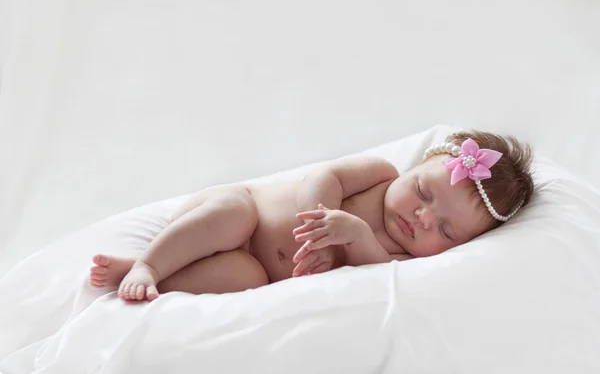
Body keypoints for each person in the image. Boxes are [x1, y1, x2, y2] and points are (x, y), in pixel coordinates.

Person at [89, 130, 534, 301]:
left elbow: (374, 273)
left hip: (259, 265)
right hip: (245, 211)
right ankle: (150, 260)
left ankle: (154, 281)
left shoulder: (409, 261)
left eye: (446, 229)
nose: (421, 217)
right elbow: (324, 177)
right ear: (416, 166)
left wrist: (356, 237)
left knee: (242, 277)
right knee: (232, 216)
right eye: (422, 191)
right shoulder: (380, 175)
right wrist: (321, 220)